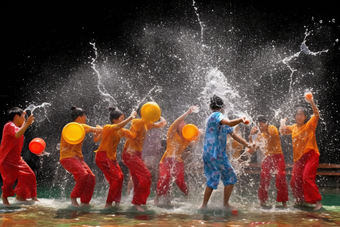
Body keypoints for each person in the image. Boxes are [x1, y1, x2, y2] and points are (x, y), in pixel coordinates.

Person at [201, 95, 252, 210]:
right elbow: (229, 123)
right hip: (215, 154)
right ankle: (220, 204)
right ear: (222, 106)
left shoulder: (215, 118)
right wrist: (240, 119)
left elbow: (235, 136)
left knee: (217, 178)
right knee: (229, 177)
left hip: (212, 153)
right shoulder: (216, 115)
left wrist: (248, 144)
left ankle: (205, 205)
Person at [279, 94, 322, 210]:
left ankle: (318, 202)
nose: (298, 116)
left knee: (307, 178)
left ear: (305, 116)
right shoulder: (293, 127)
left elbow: (317, 114)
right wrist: (282, 122)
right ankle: (300, 199)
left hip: (311, 155)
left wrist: (311, 102)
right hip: (299, 158)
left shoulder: (309, 125)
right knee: (294, 181)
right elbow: (282, 131)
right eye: (297, 114)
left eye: (301, 114)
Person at [122, 108, 167, 212]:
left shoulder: (147, 123)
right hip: (130, 153)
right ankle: (137, 202)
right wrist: (131, 117)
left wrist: (159, 115)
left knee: (137, 178)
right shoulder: (137, 122)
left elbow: (161, 124)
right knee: (146, 176)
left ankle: (137, 202)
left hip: (137, 153)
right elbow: (132, 135)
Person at [154, 105, 199, 206]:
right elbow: (175, 123)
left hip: (178, 161)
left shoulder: (187, 138)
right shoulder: (171, 133)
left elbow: (195, 141)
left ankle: (187, 197)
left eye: (184, 122)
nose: (183, 123)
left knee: (180, 182)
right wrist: (187, 113)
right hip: (166, 160)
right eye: (181, 122)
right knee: (164, 178)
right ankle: (157, 198)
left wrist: (199, 133)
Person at [59, 106, 102, 207]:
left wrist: (100, 130)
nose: (86, 118)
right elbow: (98, 130)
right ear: (79, 117)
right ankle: (73, 197)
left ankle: (85, 202)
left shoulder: (83, 127)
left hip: (78, 158)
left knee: (91, 177)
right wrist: (103, 128)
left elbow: (97, 134)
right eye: (84, 116)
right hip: (67, 157)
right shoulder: (70, 127)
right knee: (83, 174)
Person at [94, 107, 137, 208]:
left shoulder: (121, 130)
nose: (123, 120)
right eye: (121, 118)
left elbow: (133, 135)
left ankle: (117, 202)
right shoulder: (107, 127)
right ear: (115, 120)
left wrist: (136, 123)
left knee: (120, 177)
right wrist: (130, 118)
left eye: (123, 118)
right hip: (102, 156)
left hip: (111, 158)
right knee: (116, 178)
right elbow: (117, 127)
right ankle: (108, 204)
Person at [0, 107, 38, 206]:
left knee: (29, 175)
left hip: (17, 159)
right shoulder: (9, 125)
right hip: (6, 159)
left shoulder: (18, 128)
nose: (24, 119)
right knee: (8, 180)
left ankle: (22, 196)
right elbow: (17, 135)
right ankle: (4, 198)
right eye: (23, 117)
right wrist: (27, 124)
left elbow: (19, 135)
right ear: (16, 116)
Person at [248, 115, 288, 207]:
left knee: (280, 177)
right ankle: (262, 201)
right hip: (268, 157)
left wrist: (258, 134)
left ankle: (284, 203)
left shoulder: (272, 128)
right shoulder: (260, 135)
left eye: (262, 125)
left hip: (278, 156)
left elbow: (270, 135)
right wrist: (251, 136)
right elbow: (253, 148)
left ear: (266, 124)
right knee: (264, 177)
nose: (260, 127)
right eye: (258, 126)